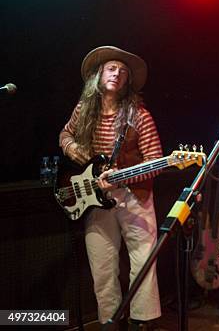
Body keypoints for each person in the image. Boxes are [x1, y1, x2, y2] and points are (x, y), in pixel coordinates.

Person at [59, 46, 162, 330]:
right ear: (99, 75)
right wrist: (77, 152)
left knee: (143, 260)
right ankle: (111, 321)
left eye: (123, 71)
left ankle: (143, 322)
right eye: (112, 68)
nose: (118, 74)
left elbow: (155, 161)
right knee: (102, 266)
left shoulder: (139, 115)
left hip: (133, 197)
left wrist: (121, 177)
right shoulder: (84, 110)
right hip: (94, 197)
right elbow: (65, 134)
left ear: (128, 81)